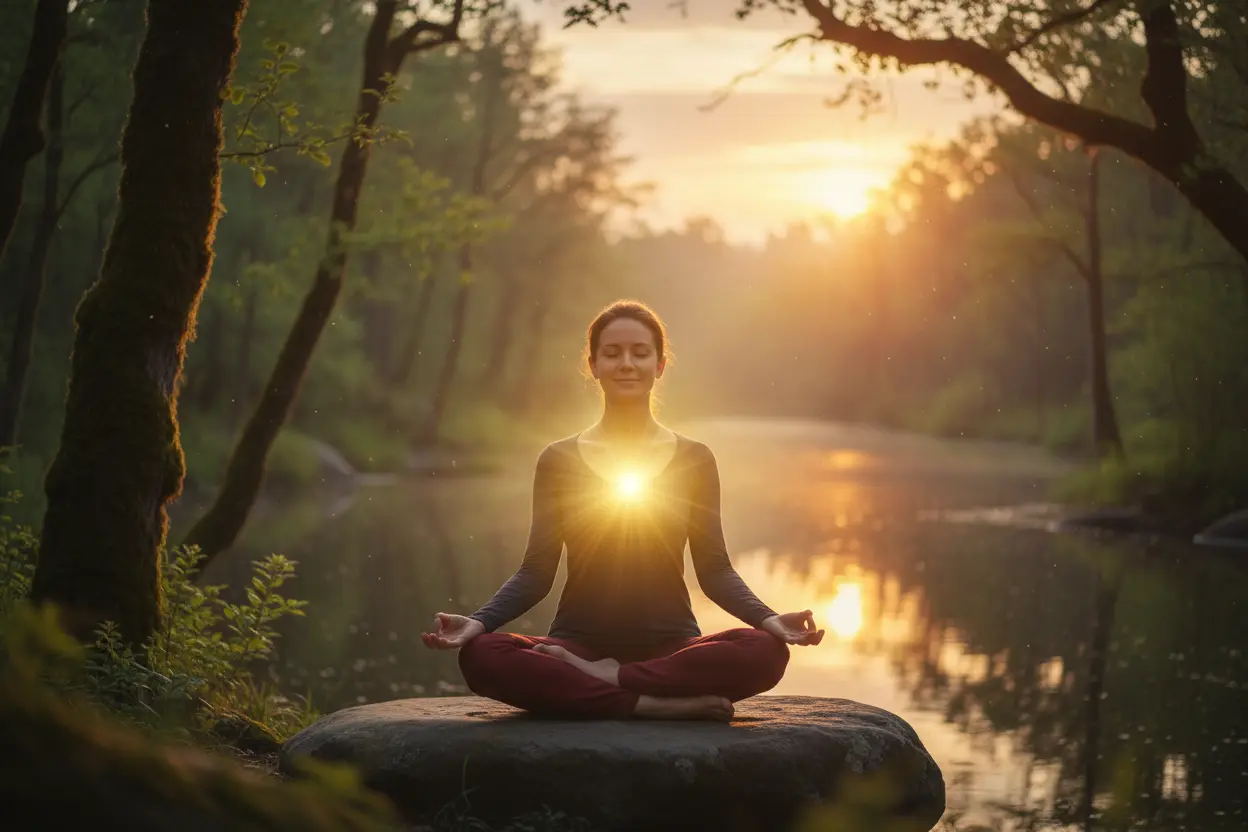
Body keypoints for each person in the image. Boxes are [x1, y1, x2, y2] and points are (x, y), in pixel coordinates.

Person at [421, 300, 824, 721]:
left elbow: (715, 569)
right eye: (612, 354)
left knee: (765, 651)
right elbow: (536, 572)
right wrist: (479, 623)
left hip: (672, 646)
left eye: (640, 352)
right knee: (482, 655)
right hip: (577, 644)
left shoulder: (695, 458)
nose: (626, 364)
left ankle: (611, 682)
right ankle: (645, 701)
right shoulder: (559, 459)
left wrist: (770, 618)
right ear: (592, 365)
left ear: (660, 365)